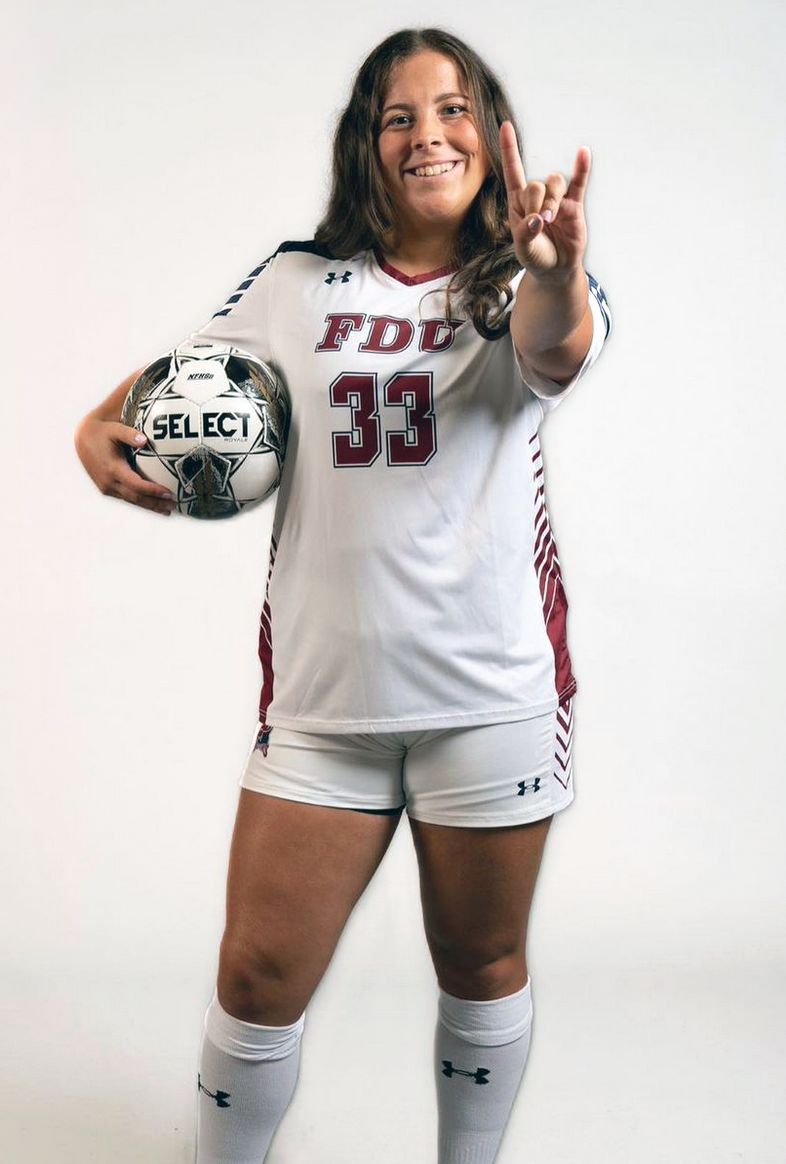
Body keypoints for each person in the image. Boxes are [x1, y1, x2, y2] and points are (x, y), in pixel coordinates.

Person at [74, 26, 611, 1164]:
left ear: (495, 134)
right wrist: (92, 428)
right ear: (365, 146)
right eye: (399, 114)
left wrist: (556, 265)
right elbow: (172, 385)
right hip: (325, 710)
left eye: (455, 108)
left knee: (479, 965)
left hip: (489, 697)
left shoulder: (524, 275)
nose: (429, 133)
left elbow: (556, 348)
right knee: (257, 975)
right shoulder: (294, 283)